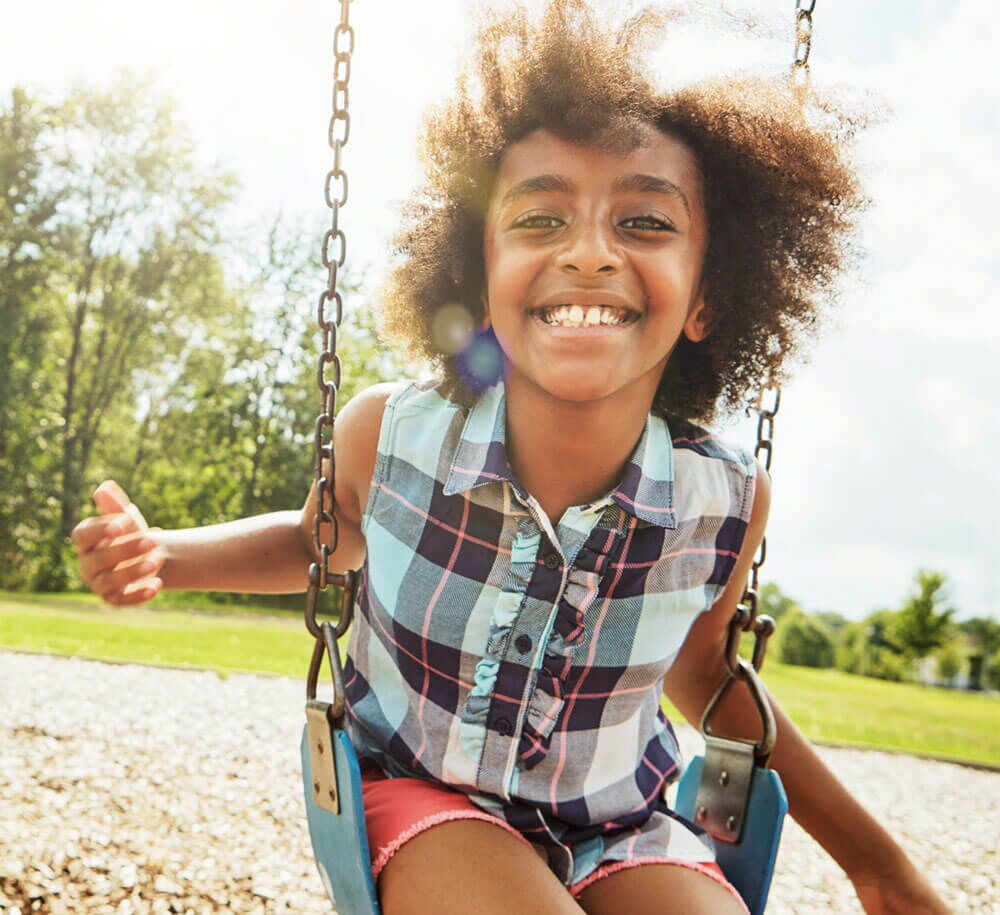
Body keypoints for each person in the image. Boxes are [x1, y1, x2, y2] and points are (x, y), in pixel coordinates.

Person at [71, 2, 949, 913]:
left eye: (646, 222)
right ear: (479, 282)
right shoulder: (395, 434)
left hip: (622, 824)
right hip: (422, 792)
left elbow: (705, 672)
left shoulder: (722, 498)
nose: (590, 252)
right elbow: (314, 541)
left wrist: (874, 863)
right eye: (539, 220)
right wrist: (169, 555)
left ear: (707, 299)